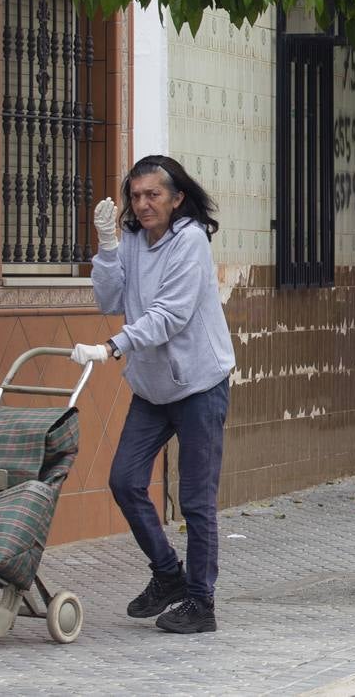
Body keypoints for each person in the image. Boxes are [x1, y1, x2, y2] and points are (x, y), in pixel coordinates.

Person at [69, 155, 236, 634]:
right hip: (152, 387)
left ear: (177, 197)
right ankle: (167, 575)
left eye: (152, 195)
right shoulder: (136, 242)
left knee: (196, 501)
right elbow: (110, 299)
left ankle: (201, 604)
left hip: (199, 384)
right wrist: (105, 246)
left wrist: (111, 347)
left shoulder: (190, 242)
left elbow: (170, 315)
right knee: (124, 481)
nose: (142, 204)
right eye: (135, 195)